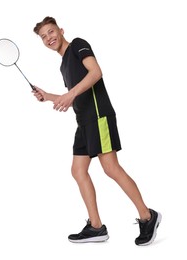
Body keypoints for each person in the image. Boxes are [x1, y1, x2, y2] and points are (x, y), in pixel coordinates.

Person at [32, 16, 161, 245]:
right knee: (78, 170)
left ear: (61, 30)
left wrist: (69, 94)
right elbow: (74, 94)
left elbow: (95, 72)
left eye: (51, 32)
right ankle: (96, 226)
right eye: (43, 37)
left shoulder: (78, 45)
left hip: (99, 116)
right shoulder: (63, 64)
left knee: (111, 168)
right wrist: (48, 96)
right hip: (83, 122)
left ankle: (147, 216)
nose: (49, 38)